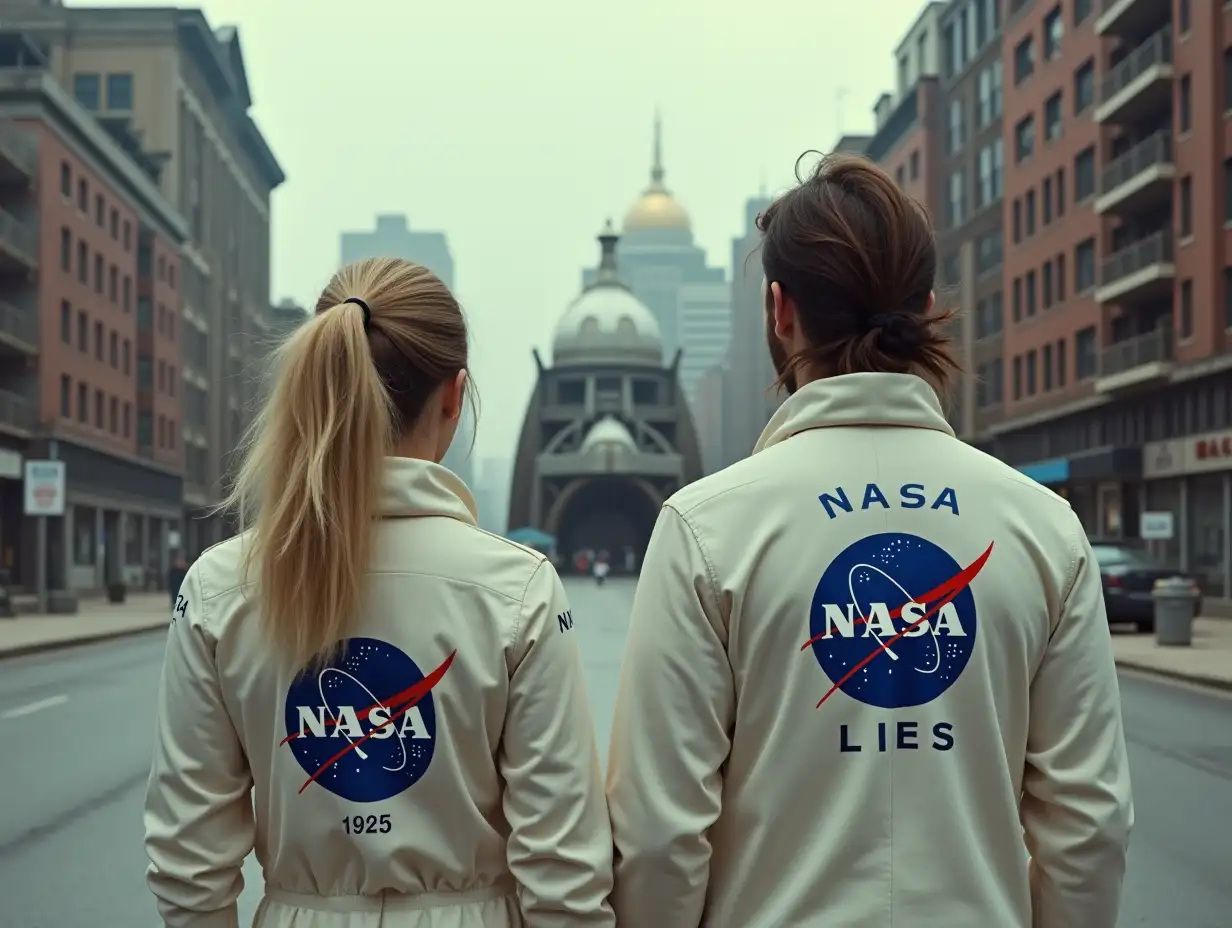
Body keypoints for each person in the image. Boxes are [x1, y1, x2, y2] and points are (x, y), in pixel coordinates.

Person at [605, 153, 1133, 928]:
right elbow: (1088, 827)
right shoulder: (1040, 526)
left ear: (778, 311)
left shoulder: (706, 528)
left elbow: (657, 835)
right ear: (923, 307)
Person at [144, 257, 615, 927]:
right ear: (453, 398)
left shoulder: (221, 588)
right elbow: (565, 875)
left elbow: (188, 865)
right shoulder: (517, 590)